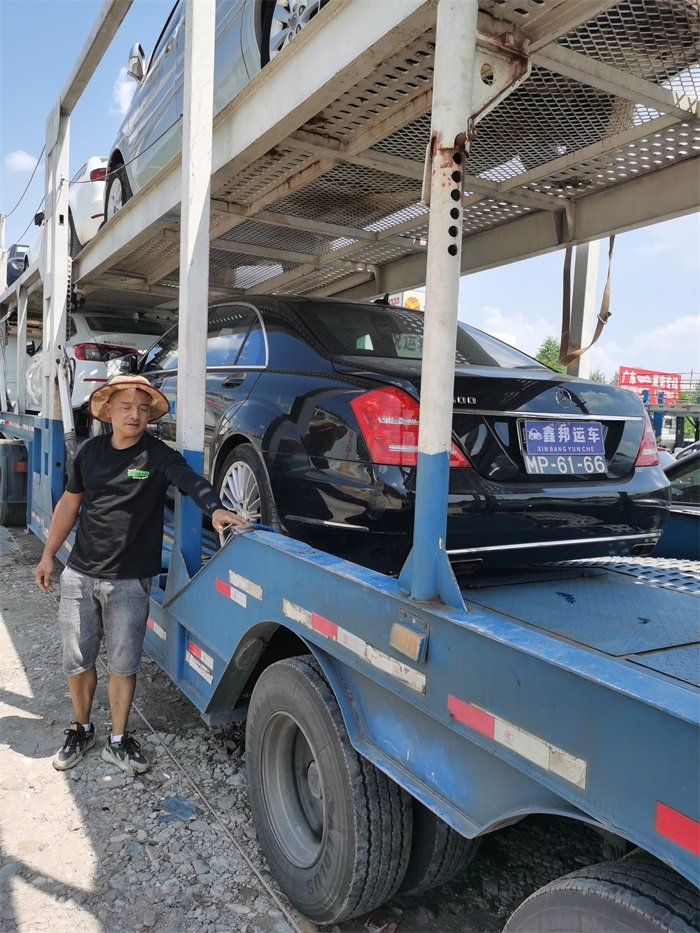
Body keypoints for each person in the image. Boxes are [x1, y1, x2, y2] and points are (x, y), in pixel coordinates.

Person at [34, 375, 245, 774]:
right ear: (108, 410)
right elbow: (69, 505)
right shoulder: (88, 453)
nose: (135, 414)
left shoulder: (157, 457)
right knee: (76, 660)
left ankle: (118, 739)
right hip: (79, 573)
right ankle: (81, 728)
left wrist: (215, 508)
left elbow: (192, 482)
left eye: (143, 408)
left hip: (130, 581)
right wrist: (48, 556)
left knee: (123, 663)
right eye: (127, 406)